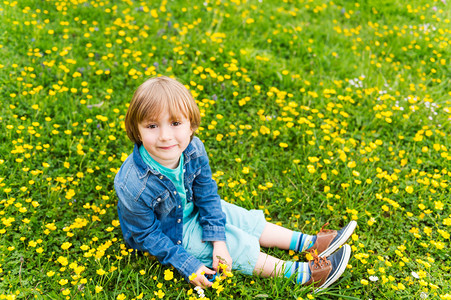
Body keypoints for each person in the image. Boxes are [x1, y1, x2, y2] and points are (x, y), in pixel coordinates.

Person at [114, 76, 357, 292]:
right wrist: (188, 264)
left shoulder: (193, 150)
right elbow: (146, 234)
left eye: (175, 123)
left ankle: (309, 243)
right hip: (169, 232)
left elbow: (207, 194)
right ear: (136, 129)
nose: (165, 136)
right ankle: (303, 275)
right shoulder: (133, 185)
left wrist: (216, 238)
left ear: (191, 125)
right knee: (236, 246)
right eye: (152, 126)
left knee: (241, 218)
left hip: (191, 207)